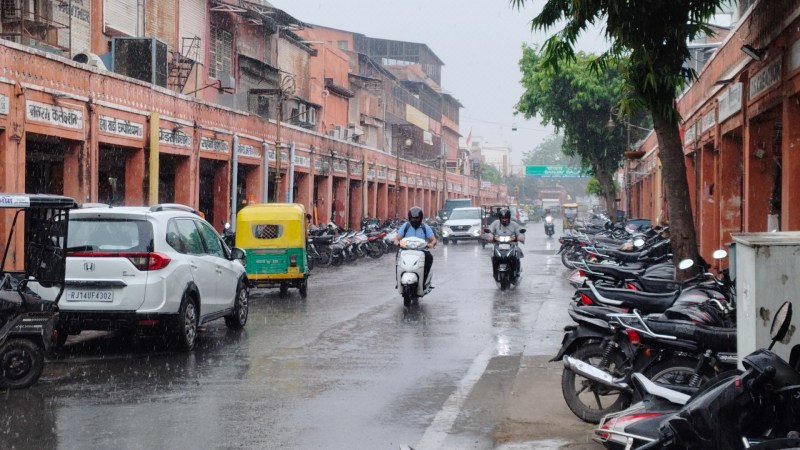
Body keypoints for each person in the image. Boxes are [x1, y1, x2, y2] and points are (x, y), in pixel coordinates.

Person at [394, 206, 437, 287]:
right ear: (409, 218)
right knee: (397, 259)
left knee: (429, 257)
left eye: (417, 218)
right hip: (405, 250)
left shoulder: (425, 227)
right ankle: (398, 282)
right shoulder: (406, 226)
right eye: (413, 218)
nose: (414, 220)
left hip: (421, 250)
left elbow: (433, 239)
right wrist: (396, 242)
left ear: (420, 218)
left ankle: (424, 280)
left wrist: (431, 244)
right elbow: (397, 238)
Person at [486, 208, 525, 273]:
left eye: (506, 218)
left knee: (517, 252)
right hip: (498, 244)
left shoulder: (514, 224)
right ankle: (495, 270)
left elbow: (520, 232)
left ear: (509, 217)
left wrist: (520, 237)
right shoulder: (496, 223)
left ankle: (517, 269)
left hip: (512, 244)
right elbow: (489, 230)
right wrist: (490, 236)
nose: (504, 219)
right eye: (502, 218)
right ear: (500, 218)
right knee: (493, 255)